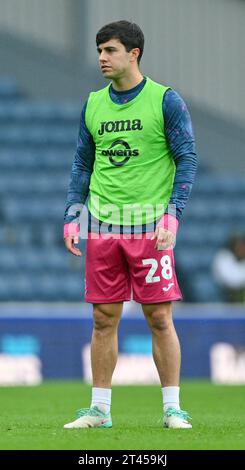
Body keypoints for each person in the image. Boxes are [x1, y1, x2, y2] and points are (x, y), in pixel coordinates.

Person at [63, 20, 197, 429]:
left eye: (110, 50)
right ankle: (99, 410)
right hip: (103, 227)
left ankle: (172, 408)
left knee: (159, 317)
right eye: (99, 50)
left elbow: (186, 158)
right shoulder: (92, 104)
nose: (102, 57)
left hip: (149, 230)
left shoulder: (165, 101)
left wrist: (173, 213)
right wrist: (73, 214)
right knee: (103, 318)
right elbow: (83, 164)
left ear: (133, 53)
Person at [213, 234, 245, 302]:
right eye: (238, 246)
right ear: (233, 247)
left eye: (243, 246)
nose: (241, 249)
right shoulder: (223, 258)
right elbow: (231, 282)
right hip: (223, 294)